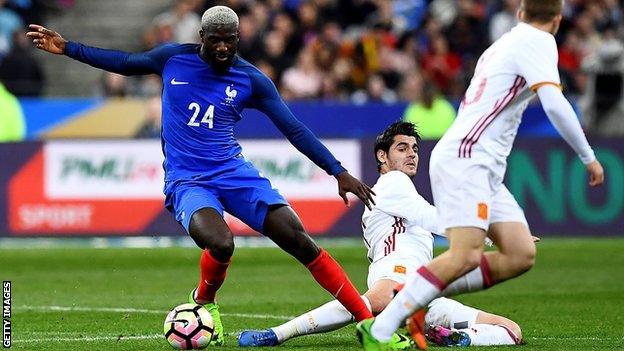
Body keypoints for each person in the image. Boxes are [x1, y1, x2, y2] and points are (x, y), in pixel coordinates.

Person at [27, 5, 376, 347]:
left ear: (238, 38)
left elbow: (294, 129)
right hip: (188, 179)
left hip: (234, 173)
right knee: (221, 243)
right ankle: (205, 300)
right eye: (216, 41)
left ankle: (370, 324)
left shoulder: (252, 79)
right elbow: (126, 62)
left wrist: (338, 171)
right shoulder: (172, 59)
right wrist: (68, 48)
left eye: (230, 41)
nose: (223, 48)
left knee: (299, 240)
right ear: (202, 37)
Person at [356, 1, 605, 350]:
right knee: (465, 255)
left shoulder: (503, 44)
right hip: (467, 158)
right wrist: (588, 157)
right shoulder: (539, 40)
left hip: (482, 165)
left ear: (520, 13)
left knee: (519, 253)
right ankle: (384, 327)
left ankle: (415, 297)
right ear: (558, 20)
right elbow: (554, 102)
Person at [238, 122, 523, 349]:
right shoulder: (392, 183)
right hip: (397, 275)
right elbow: (429, 217)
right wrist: (490, 235)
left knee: (510, 330)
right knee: (372, 302)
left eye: (414, 148)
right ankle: (275, 334)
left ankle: (458, 338)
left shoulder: (399, 191)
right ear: (382, 156)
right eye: (402, 148)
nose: (412, 153)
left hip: (424, 290)